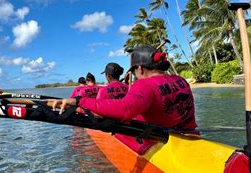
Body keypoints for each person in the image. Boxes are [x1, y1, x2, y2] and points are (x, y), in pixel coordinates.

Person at [51, 45, 197, 154]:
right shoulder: (181, 80)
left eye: (134, 71)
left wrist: (79, 101)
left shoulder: (143, 84)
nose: (135, 75)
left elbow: (125, 109)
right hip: (191, 136)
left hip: (157, 143)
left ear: (140, 68)